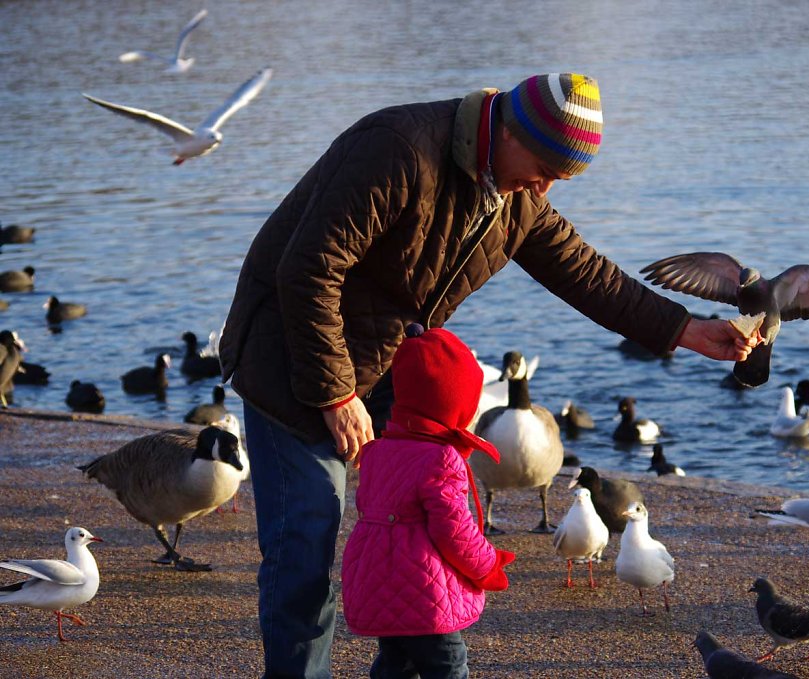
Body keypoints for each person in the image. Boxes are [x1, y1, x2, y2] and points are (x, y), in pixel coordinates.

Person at [219, 72, 758, 678]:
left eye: (561, 176)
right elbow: (309, 269)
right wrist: (335, 392)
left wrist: (686, 330)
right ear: (506, 127)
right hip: (292, 359)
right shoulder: (397, 147)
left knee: (413, 537)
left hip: (385, 363)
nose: (546, 186)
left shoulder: (514, 190)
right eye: (545, 167)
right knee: (303, 555)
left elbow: (586, 274)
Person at [341, 323, 514, 677]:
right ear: (456, 404)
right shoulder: (442, 458)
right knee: (447, 665)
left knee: (396, 663)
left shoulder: (378, 449)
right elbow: (454, 531)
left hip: (377, 579)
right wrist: (487, 565)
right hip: (424, 591)